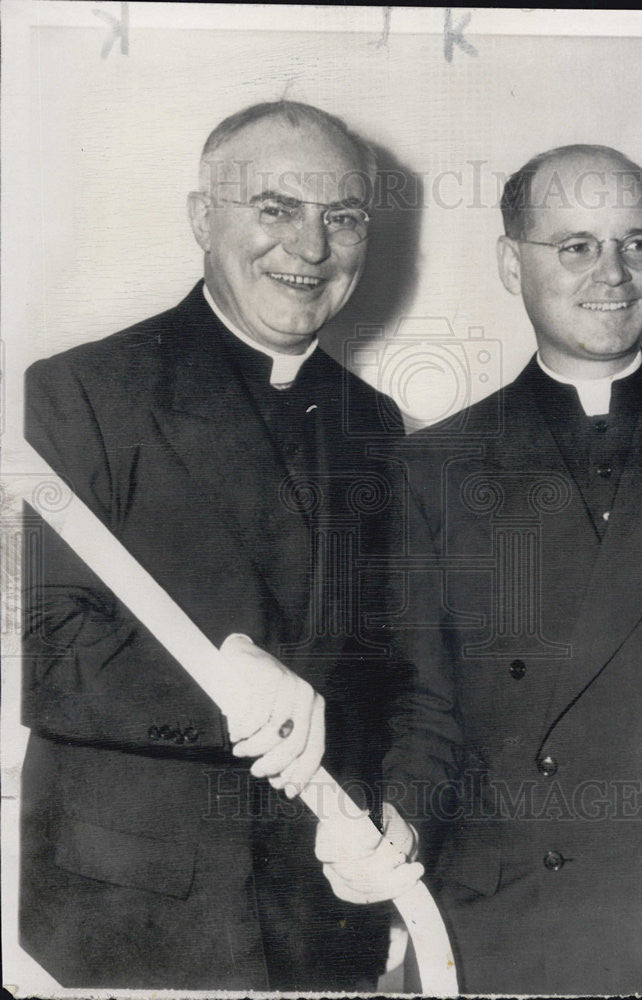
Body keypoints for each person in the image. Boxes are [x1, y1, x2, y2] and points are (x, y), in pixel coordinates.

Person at [321, 144, 642, 995]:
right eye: (575, 245)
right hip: (505, 922)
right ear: (511, 265)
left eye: (638, 243)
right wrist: (394, 827)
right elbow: (427, 712)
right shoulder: (434, 468)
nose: (613, 274)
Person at [20, 100, 410, 991]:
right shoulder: (78, 392)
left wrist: (393, 818)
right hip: (129, 916)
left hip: (321, 922)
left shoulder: (377, 424)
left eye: (340, 217)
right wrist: (229, 682)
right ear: (204, 218)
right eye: (274, 208)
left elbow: (387, 664)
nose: (309, 250)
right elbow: (44, 642)